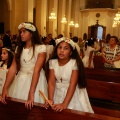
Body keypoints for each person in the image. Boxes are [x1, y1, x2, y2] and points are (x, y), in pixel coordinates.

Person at [1, 22, 48, 109]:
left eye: (24, 32)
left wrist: (31, 93)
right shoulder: (19, 48)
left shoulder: (40, 48)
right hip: (21, 79)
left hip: (35, 80)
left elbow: (37, 70)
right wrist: (5, 87)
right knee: (19, 108)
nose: (21, 34)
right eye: (20, 32)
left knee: (34, 109)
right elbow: (13, 68)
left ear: (31, 34)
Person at [44, 37, 94, 113]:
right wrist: (50, 99)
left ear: (71, 52)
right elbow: (51, 82)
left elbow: (72, 84)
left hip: (72, 93)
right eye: (59, 47)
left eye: (66, 48)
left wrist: (64, 104)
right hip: (58, 91)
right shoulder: (52, 62)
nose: (61, 50)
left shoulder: (74, 63)